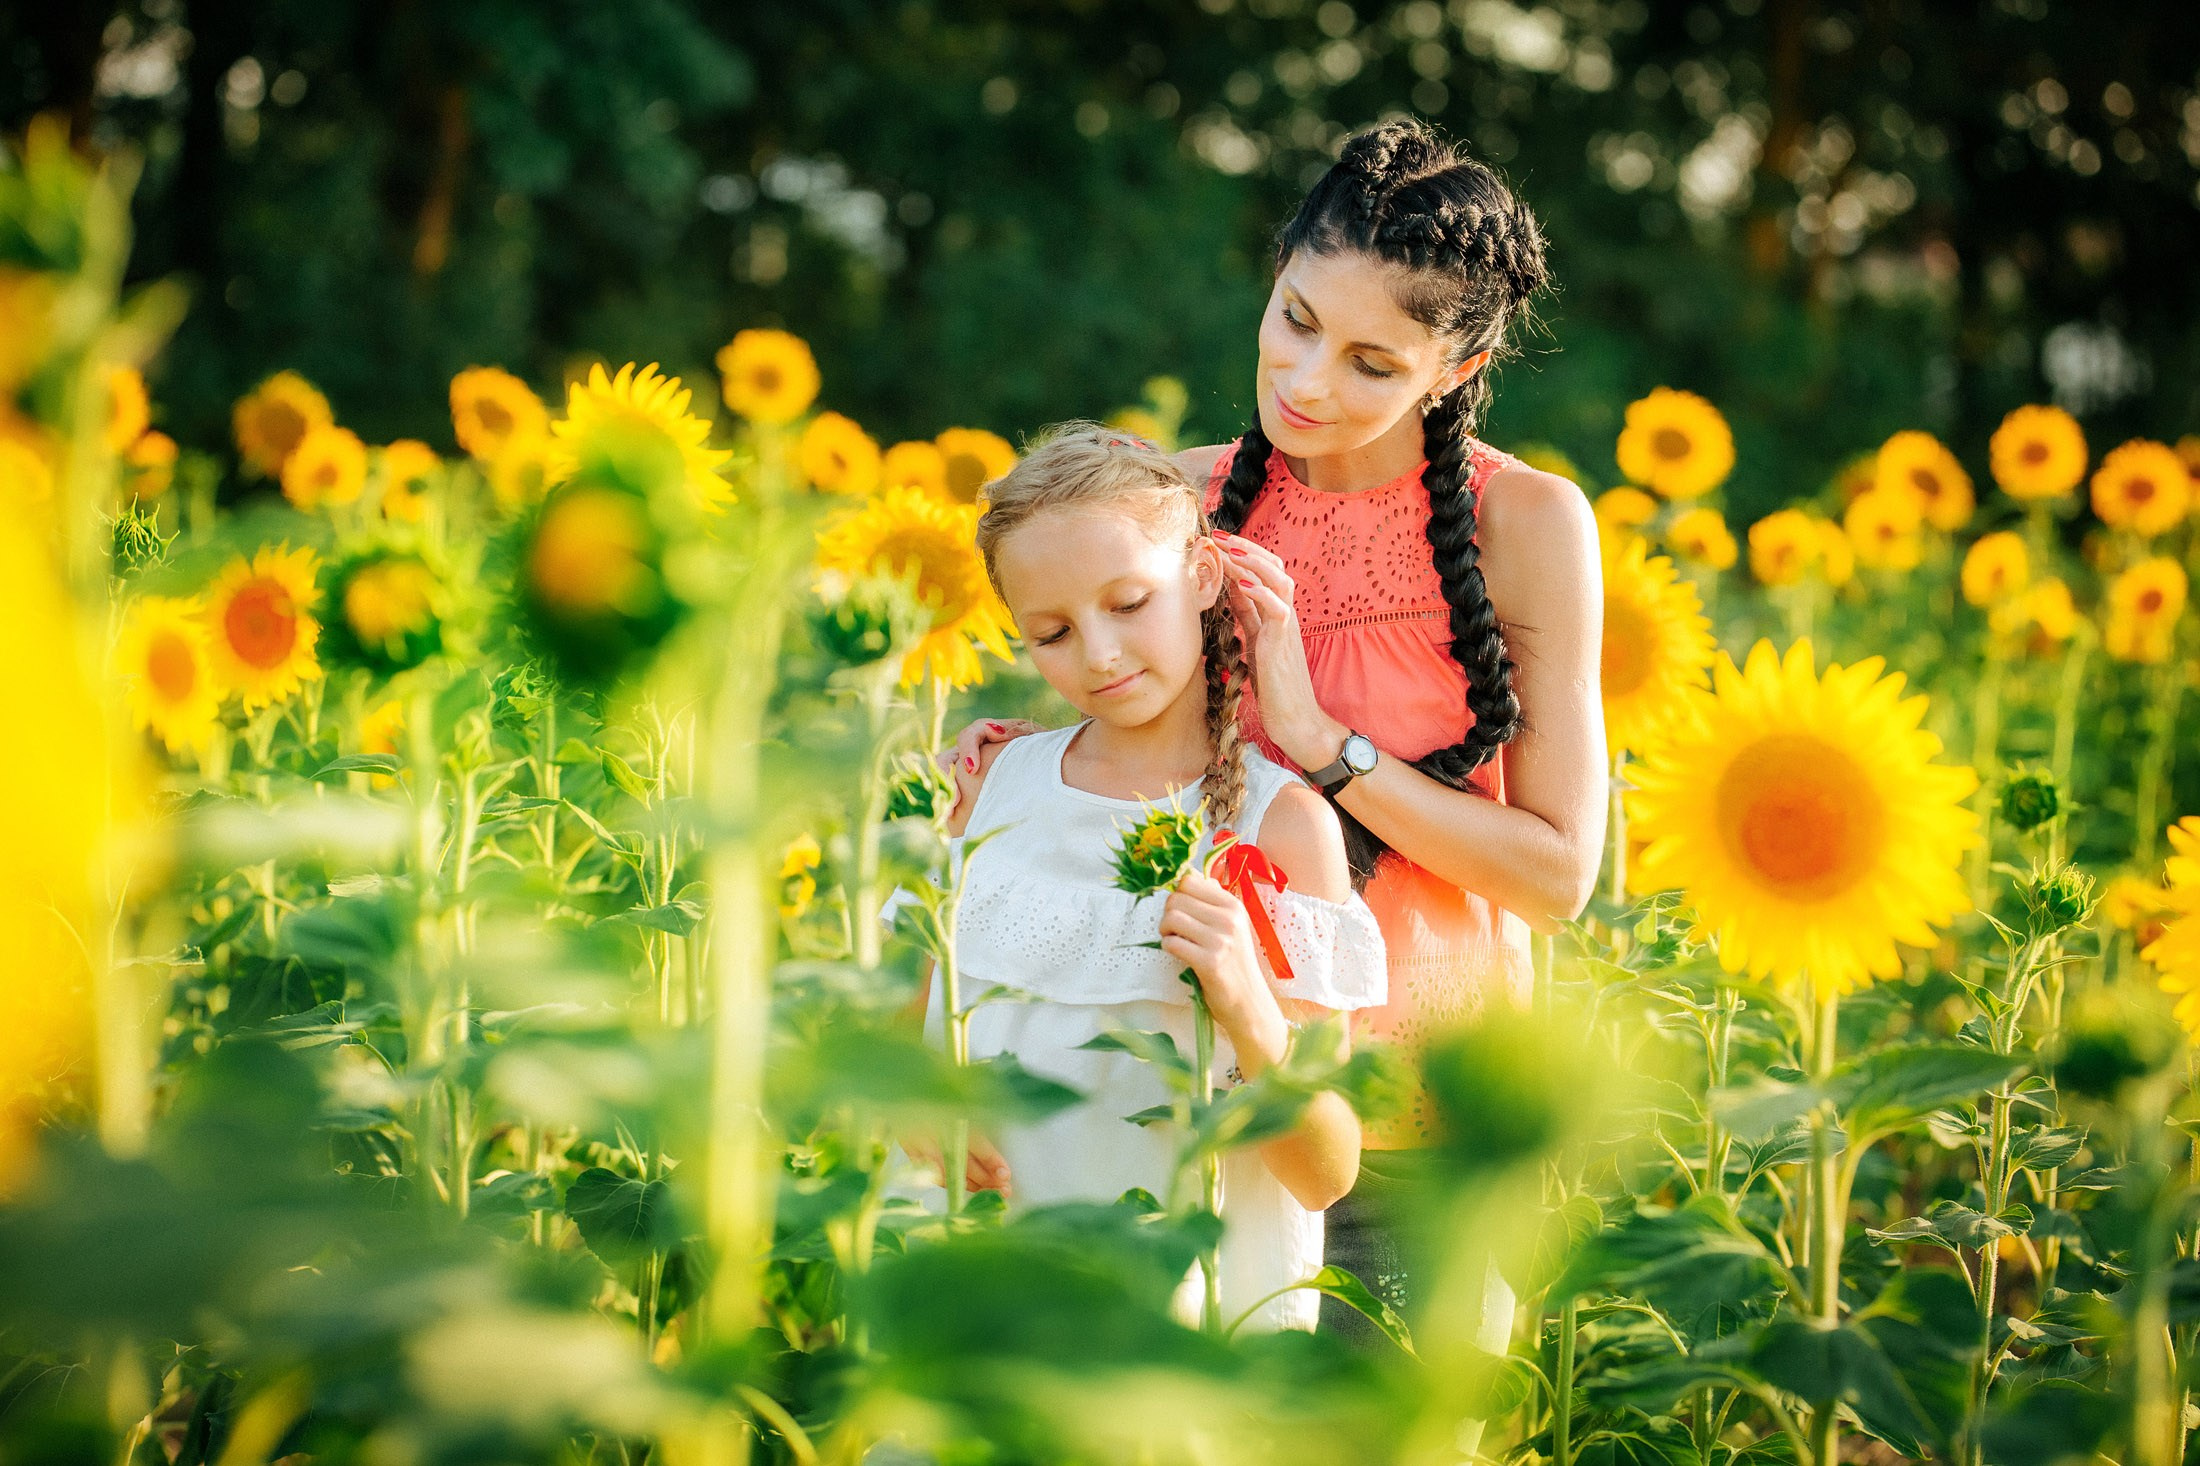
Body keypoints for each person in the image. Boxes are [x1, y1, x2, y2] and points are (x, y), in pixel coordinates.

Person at [944, 119, 1607, 1359]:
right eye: (1295, 317)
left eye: (1370, 359)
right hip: (1204, 1097)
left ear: (1454, 366)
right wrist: (1021, 760)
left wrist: (1322, 741)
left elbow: (1558, 874)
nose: (1305, 380)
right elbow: (1137, 741)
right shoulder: (1183, 496)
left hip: (1423, 1119)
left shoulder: (1528, 523)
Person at [906, 424, 1388, 1333]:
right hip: (986, 1296)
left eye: (1129, 603)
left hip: (1177, 1328)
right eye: (1051, 632)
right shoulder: (990, 789)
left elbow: (1325, 1171)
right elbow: (904, 1035)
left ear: (1203, 576)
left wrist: (1248, 1003)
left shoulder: (1280, 828)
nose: (1098, 655)